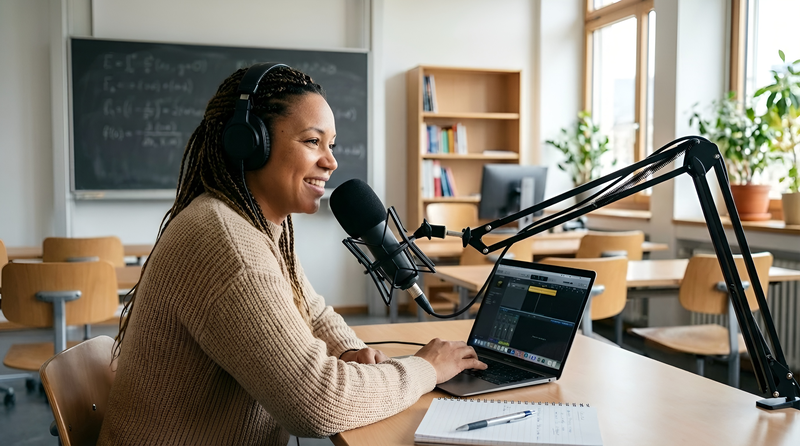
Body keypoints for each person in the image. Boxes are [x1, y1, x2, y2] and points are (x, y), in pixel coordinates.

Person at [98, 64, 486, 446]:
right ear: (250, 142)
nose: (331, 161)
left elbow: (310, 310)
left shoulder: (256, 225)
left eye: (331, 145)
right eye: (312, 141)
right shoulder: (226, 242)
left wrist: (349, 350)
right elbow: (316, 403)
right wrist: (424, 369)